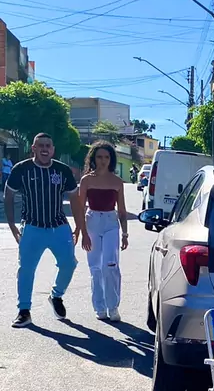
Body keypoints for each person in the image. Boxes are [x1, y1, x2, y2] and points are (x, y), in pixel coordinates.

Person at [4, 133, 82, 328]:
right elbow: (8, 195)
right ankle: (24, 311)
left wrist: (79, 226)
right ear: (34, 148)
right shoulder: (21, 169)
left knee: (69, 264)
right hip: (32, 227)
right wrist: (12, 224)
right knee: (26, 269)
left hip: (59, 226)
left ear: (53, 149)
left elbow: (75, 198)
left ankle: (56, 296)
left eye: (48, 145)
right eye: (41, 145)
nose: (45, 149)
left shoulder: (62, 170)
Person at [76, 141, 128, 322]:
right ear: (93, 158)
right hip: (92, 221)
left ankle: (113, 307)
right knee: (95, 267)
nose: (103, 160)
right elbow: (80, 208)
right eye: (99, 157)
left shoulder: (117, 182)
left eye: (106, 157)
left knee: (110, 265)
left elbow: (122, 211)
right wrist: (82, 233)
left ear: (111, 159)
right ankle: (100, 307)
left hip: (111, 222)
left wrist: (125, 234)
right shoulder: (86, 180)